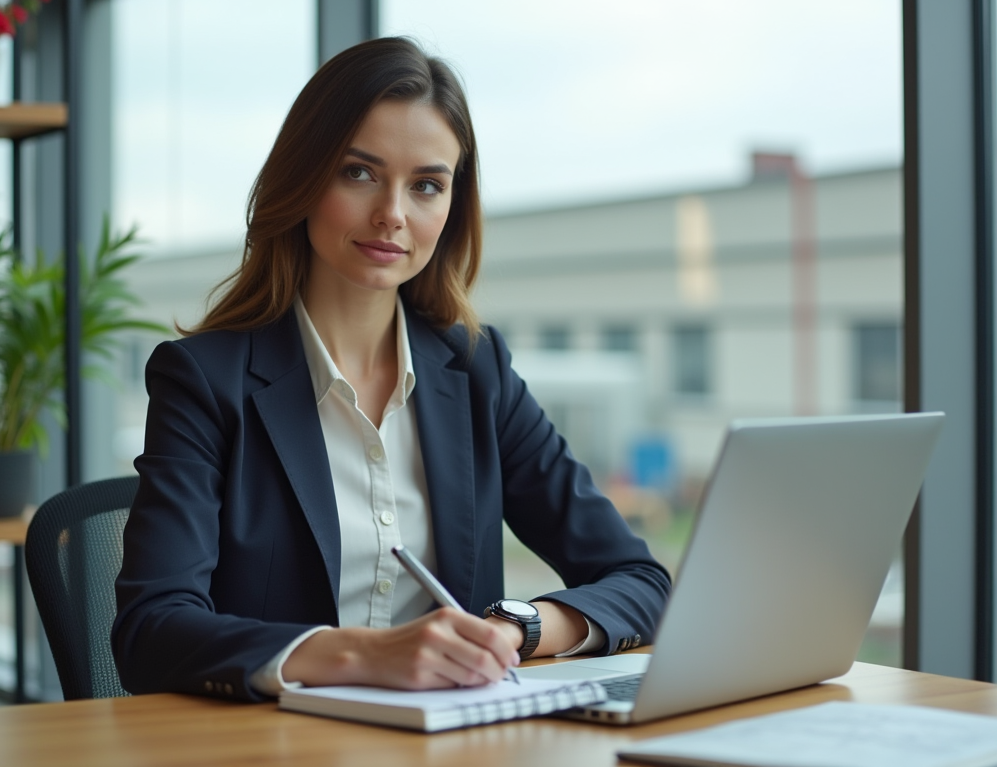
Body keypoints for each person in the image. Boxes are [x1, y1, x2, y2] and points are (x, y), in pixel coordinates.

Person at [112, 37, 672, 702]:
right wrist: (364, 655)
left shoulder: (477, 371)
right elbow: (151, 631)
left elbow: (641, 581)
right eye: (359, 173)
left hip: (452, 738)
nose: (392, 215)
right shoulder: (204, 381)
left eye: (426, 185)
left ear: (452, 206)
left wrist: (514, 629)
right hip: (276, 740)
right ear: (304, 178)